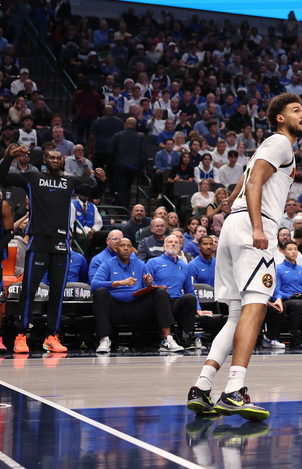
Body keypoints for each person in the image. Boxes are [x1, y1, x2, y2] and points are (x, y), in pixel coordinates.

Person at [185, 93, 302, 421]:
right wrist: (257, 226)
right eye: (296, 110)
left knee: (236, 315)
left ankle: (202, 386)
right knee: (255, 308)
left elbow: (245, 179)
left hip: (231, 229)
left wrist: (230, 202)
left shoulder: (268, 147)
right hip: (254, 226)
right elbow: (255, 181)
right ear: (280, 118)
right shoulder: (281, 143)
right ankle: (234, 390)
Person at [0, 144, 105, 354]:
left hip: (61, 243)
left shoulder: (70, 181)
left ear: (63, 161)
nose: (56, 160)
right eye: (52, 157)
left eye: (59, 157)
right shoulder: (32, 177)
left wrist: (102, 181)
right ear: (45, 160)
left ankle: (52, 336)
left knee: (57, 292)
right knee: (29, 291)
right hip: (38, 241)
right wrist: (8, 158)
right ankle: (21, 335)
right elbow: (3, 177)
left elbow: (94, 193)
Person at [91, 236, 185, 353]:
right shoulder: (107, 264)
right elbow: (94, 285)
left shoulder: (140, 264)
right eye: (122, 246)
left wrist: (148, 283)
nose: (125, 249)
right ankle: (104, 339)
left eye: (128, 246)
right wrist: (118, 283)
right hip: (115, 309)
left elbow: (149, 286)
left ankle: (167, 339)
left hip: (137, 307)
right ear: (116, 249)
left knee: (160, 293)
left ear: (132, 250)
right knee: (100, 293)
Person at [145, 236, 199, 349]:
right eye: (170, 242)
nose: (173, 244)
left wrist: (198, 308)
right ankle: (167, 338)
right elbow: (147, 284)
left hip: (176, 302)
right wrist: (151, 284)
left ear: (179, 247)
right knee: (161, 293)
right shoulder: (153, 262)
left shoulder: (184, 266)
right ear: (164, 246)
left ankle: (185, 336)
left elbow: (189, 289)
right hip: (158, 302)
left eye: (176, 243)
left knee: (189, 298)